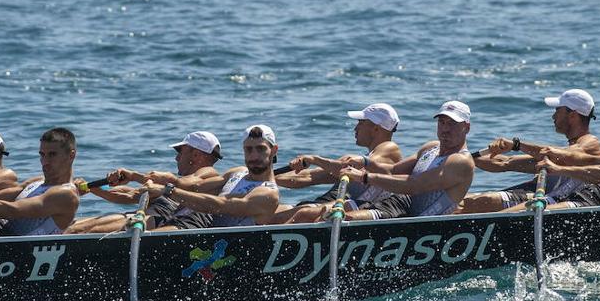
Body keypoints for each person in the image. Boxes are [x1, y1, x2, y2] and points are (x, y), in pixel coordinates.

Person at [455, 89, 600, 213]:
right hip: (542, 195)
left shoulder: (591, 144)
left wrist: (516, 145)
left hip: (562, 203)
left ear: (572, 115)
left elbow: (567, 155)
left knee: (484, 208)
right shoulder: (559, 154)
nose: (553, 116)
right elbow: (505, 162)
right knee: (465, 203)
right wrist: (462, 157)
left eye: (557, 110)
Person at [337, 100, 476, 220]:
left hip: (415, 223)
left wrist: (364, 176)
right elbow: (392, 170)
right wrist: (365, 162)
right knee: (331, 212)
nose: (445, 129)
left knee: (347, 217)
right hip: (397, 206)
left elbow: (415, 185)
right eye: (442, 122)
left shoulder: (461, 161)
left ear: (467, 128)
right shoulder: (431, 147)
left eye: (452, 124)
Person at [65, 130, 224, 234]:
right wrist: (92, 188)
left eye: (180, 152)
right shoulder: (171, 187)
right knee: (74, 226)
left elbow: (187, 183)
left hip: (171, 225)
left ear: (196, 155)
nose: (176, 158)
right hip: (155, 219)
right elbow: (131, 195)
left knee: (82, 229)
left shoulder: (209, 174)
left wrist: (134, 176)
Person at [268, 103, 404, 223]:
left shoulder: (390, 148)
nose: (355, 129)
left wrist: (313, 159)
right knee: (275, 215)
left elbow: (346, 167)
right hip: (348, 204)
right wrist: (264, 179)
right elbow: (308, 177)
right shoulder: (365, 158)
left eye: (360, 123)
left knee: (304, 214)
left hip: (367, 211)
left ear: (375, 128)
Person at [140, 125, 280, 227]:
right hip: (197, 225)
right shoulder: (237, 172)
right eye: (249, 149)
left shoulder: (268, 193)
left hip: (218, 245)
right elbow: (196, 186)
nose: (254, 156)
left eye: (261, 149)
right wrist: (163, 181)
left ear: (274, 150)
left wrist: (169, 191)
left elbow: (220, 205)